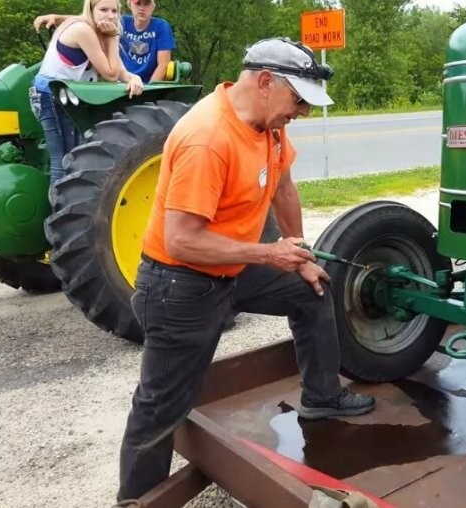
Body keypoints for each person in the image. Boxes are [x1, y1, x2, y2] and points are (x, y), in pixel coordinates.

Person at [116, 37, 376, 501]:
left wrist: (298, 253)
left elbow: (284, 188)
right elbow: (183, 240)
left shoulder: (268, 125)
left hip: (231, 267)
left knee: (310, 288)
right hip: (180, 284)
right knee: (160, 406)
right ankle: (137, 499)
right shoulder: (208, 138)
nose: (302, 113)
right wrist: (268, 254)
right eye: (298, 100)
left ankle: (321, 396)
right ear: (264, 82)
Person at [30, 0, 144, 188]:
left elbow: (120, 72)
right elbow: (111, 74)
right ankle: (59, 215)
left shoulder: (97, 32)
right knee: (62, 160)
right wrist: (113, 37)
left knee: (75, 157)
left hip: (68, 96)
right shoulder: (83, 31)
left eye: (114, 11)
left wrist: (134, 78)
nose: (110, 15)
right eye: (103, 9)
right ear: (91, 11)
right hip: (49, 95)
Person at [34, 0, 176, 83]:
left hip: (145, 82)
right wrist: (57, 18)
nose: (142, 8)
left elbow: (163, 64)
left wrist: (150, 90)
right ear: (130, 4)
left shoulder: (161, 26)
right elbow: (92, 19)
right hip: (120, 81)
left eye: (146, 4)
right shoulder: (122, 22)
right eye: (138, 3)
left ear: (153, 6)